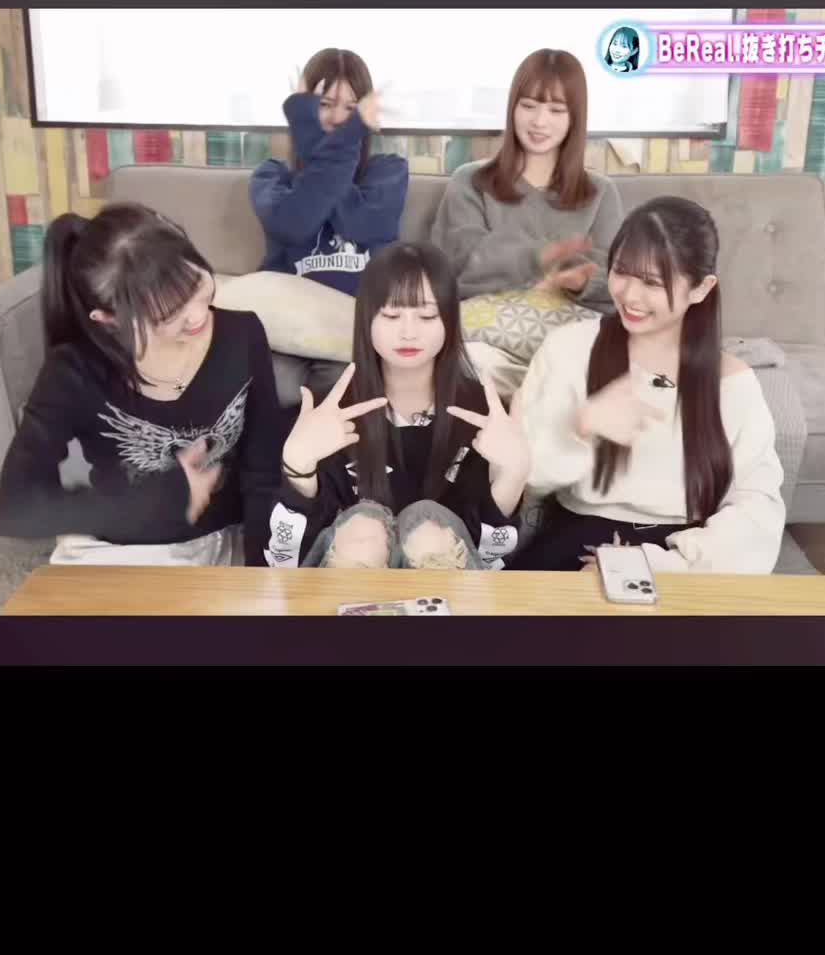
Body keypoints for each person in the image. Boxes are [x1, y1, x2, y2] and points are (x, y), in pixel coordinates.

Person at [0, 204, 282, 565]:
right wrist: (156, 499)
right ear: (109, 320)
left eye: (197, 286)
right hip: (123, 548)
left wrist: (261, 570)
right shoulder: (74, 371)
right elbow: (14, 509)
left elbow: (263, 471)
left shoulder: (243, 334)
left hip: (223, 539)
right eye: (168, 315)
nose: (197, 315)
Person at [512, 196, 785, 574]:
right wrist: (577, 429)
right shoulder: (569, 348)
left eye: (652, 283)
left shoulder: (732, 383)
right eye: (621, 271)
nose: (629, 295)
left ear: (701, 289)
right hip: (574, 542)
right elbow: (522, 476)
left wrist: (664, 563)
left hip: (685, 557)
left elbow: (757, 508)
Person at [264, 242, 530, 571]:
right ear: (366, 320)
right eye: (391, 315)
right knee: (363, 532)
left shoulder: (483, 413)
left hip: (448, 591)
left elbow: (491, 561)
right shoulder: (328, 413)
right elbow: (286, 563)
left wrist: (513, 475)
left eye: (427, 316)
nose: (408, 332)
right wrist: (298, 467)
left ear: (449, 321)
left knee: (430, 536)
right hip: (350, 588)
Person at [249, 47, 409, 405]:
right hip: (284, 323)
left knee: (339, 392)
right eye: (324, 105)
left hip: (350, 327)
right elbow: (294, 224)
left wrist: (317, 143)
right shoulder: (273, 175)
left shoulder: (388, 170)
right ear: (305, 110)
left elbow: (362, 225)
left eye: (351, 109)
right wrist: (335, 148)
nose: (338, 119)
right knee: (277, 388)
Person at [430, 47, 624, 311]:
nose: (539, 121)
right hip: (484, 328)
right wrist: (540, 256)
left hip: (575, 329)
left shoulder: (601, 193)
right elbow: (460, 266)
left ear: (574, 118)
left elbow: (618, 282)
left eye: (556, 110)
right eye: (529, 106)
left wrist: (581, 282)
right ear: (513, 108)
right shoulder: (469, 182)